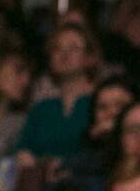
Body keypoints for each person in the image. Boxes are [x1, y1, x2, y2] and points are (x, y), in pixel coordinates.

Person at [14, 24, 102, 161]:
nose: (64, 54)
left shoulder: (100, 104)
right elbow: (22, 149)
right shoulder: (41, 109)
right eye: (57, 48)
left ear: (89, 57)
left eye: (73, 47)